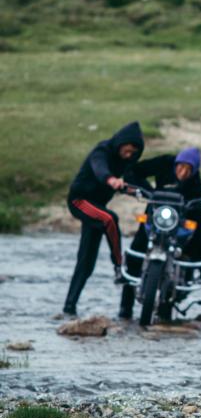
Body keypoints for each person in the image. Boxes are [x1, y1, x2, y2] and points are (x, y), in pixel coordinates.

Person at [119, 147, 201, 320]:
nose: (183, 172)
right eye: (180, 166)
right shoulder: (164, 162)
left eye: (188, 169)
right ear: (175, 163)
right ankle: (124, 309)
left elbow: (196, 200)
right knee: (135, 253)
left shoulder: (196, 184)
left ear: (194, 170)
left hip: (181, 216)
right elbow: (133, 171)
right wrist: (148, 191)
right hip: (156, 214)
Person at [61, 121, 144, 318]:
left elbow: (134, 180)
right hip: (80, 201)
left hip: (96, 208)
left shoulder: (126, 162)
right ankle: (118, 266)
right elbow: (100, 169)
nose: (129, 155)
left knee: (86, 262)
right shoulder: (102, 151)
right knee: (110, 219)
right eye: (127, 150)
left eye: (133, 152)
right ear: (120, 144)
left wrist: (141, 190)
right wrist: (111, 180)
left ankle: (69, 307)